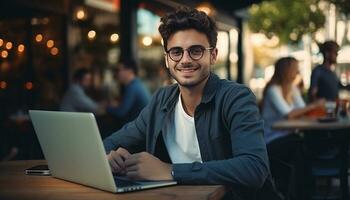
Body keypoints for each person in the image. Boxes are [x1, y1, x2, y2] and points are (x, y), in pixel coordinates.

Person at [103, 7, 274, 199]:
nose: (185, 60)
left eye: (196, 51)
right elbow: (110, 143)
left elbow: (254, 167)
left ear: (213, 55)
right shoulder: (161, 100)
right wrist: (109, 157)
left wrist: (171, 171)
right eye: (176, 52)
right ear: (167, 59)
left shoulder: (236, 97)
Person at [261, 57, 325, 200]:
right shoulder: (273, 90)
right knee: (300, 146)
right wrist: (315, 105)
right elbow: (289, 114)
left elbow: (302, 109)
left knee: (303, 145)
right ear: (287, 71)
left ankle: (303, 191)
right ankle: (303, 192)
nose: (298, 72)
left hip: (287, 137)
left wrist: (310, 108)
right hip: (272, 141)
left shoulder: (292, 88)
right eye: (296, 69)